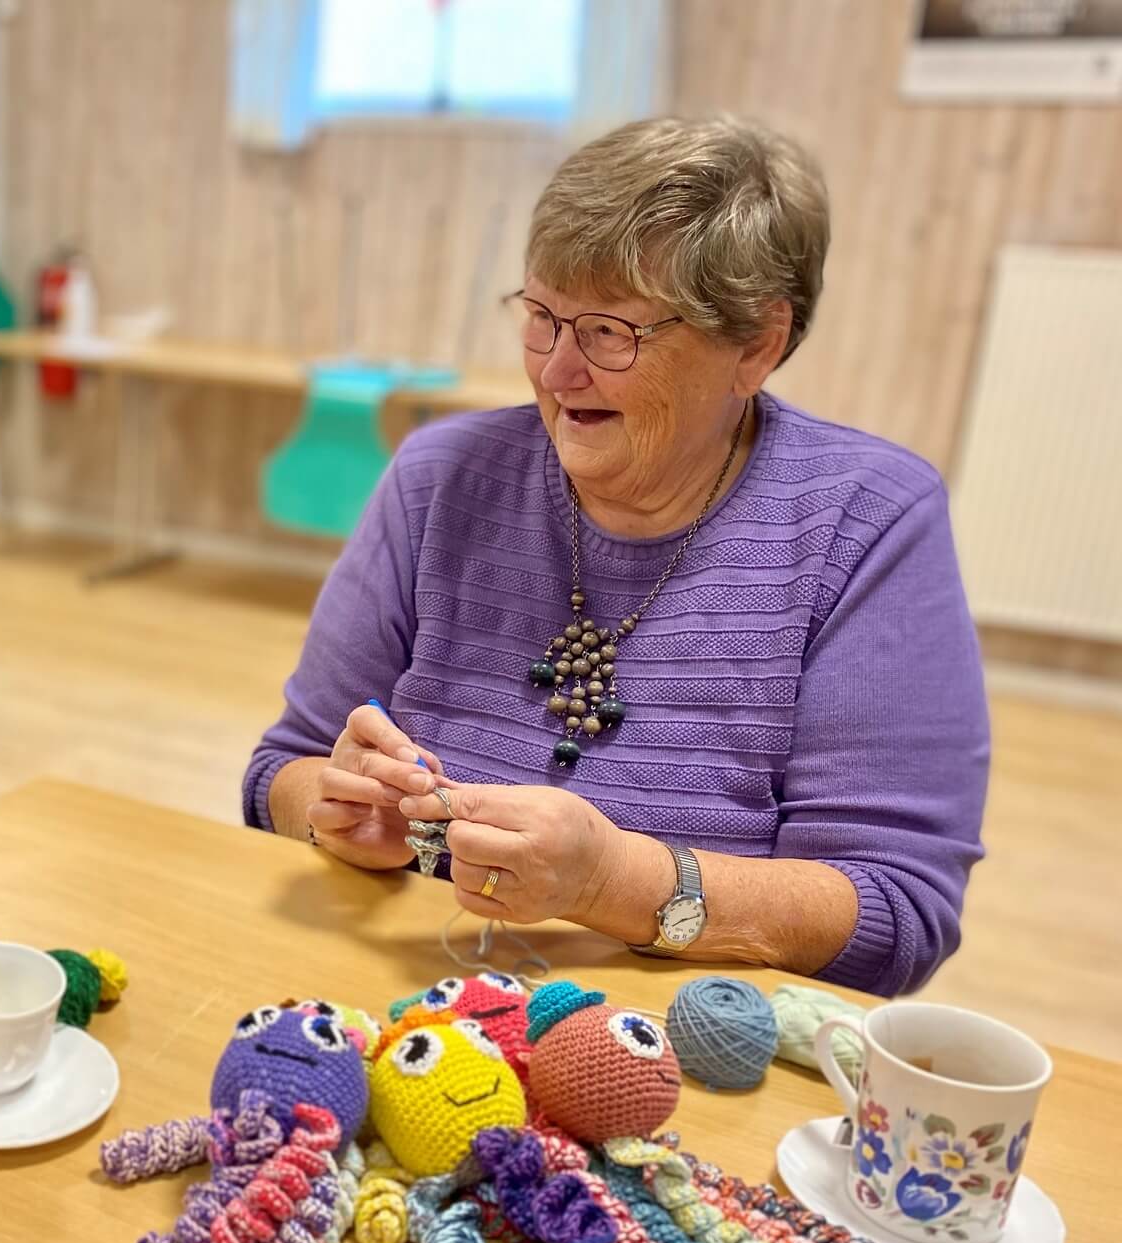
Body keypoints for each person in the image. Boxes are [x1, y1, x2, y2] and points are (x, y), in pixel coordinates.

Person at [245, 116, 986, 997]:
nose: (557, 373)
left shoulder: (866, 519)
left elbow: (898, 914)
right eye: (542, 318)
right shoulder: (442, 476)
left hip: (682, 1046)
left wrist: (614, 882)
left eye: (608, 333)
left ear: (757, 344)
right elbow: (277, 773)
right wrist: (332, 811)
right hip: (414, 1002)